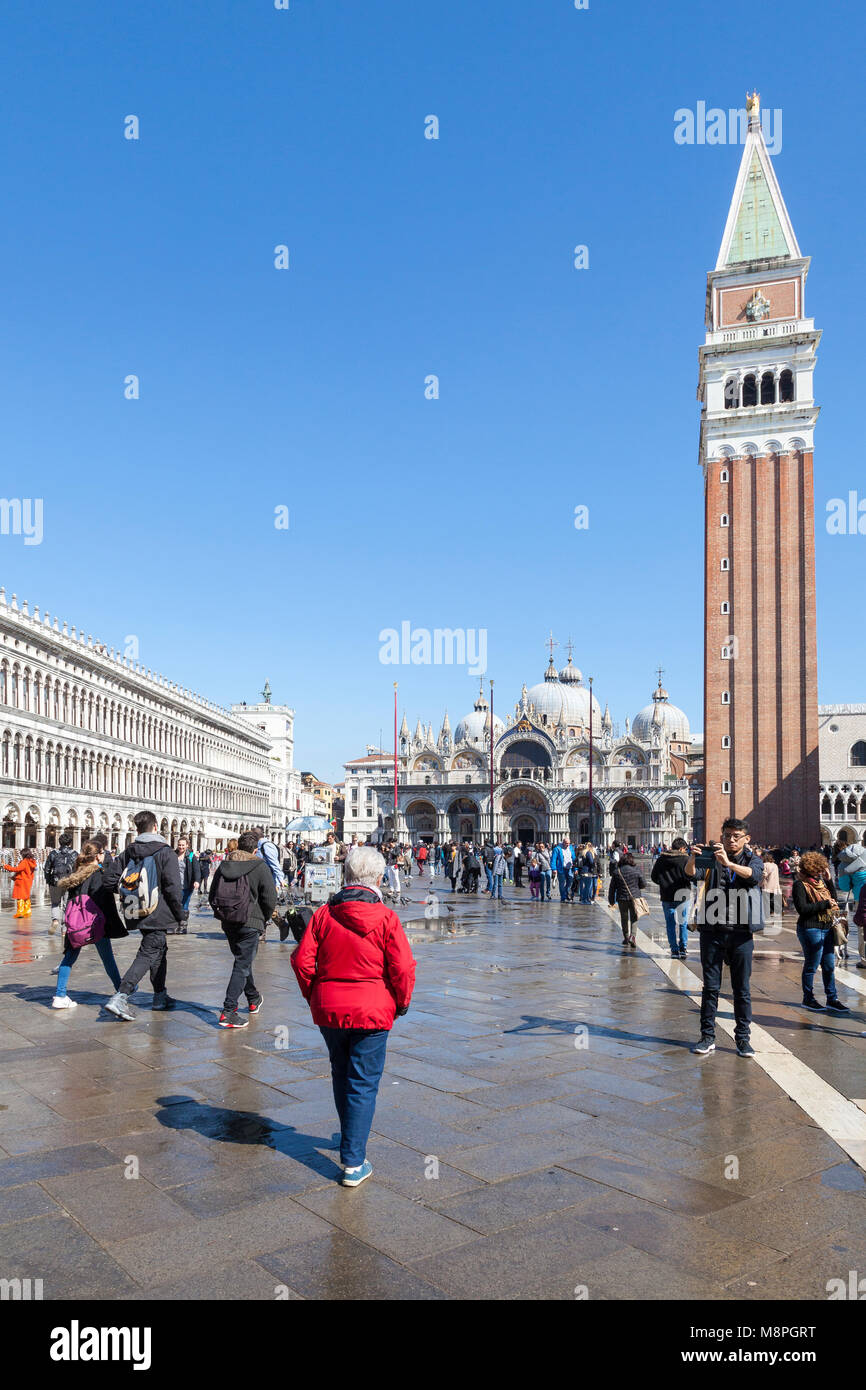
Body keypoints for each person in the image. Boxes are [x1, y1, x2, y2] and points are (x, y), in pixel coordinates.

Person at [290, 846, 416, 1188]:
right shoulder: (387, 918)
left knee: (341, 1073)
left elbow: (301, 961)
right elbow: (403, 967)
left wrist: (316, 995)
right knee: (362, 1083)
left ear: (346, 876)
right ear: (378, 879)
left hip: (330, 1010)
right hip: (373, 1011)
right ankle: (353, 1161)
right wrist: (401, 1002)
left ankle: (350, 1138)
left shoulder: (323, 915)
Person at [685, 819, 764, 1059]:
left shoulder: (752, 859)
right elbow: (691, 874)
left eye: (736, 836)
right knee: (710, 987)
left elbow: (754, 876)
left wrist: (728, 863)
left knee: (742, 989)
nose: (731, 839)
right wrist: (692, 857)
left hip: (741, 933)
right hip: (712, 930)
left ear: (746, 839)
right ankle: (707, 1036)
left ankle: (743, 1039)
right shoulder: (711, 858)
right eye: (727, 835)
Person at [102, 810, 188, 1020]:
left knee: (159, 950)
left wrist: (130, 893)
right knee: (149, 952)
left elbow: (109, 880)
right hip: (159, 911)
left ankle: (160, 996)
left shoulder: (128, 852)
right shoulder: (166, 852)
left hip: (137, 910)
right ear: (156, 827)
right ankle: (121, 996)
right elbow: (173, 887)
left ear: (137, 828)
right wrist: (180, 914)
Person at [208, 830, 278, 1028]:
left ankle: (253, 998)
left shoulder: (224, 865)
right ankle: (228, 1011)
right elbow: (270, 898)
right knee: (242, 964)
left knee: (242, 961)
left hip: (229, 922)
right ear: (255, 850)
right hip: (250, 922)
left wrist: (223, 913)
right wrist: (262, 920)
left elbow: (212, 894)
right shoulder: (259, 866)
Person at [52, 840, 127, 1010]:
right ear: (99, 855)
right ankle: (121, 990)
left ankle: (60, 995)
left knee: (69, 958)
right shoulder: (99, 875)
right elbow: (104, 902)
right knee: (108, 959)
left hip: (77, 925)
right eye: (103, 853)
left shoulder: (77, 874)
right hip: (94, 924)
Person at [793, 851, 850, 1014]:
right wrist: (824, 904)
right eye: (817, 870)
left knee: (829, 965)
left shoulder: (820, 882)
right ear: (809, 869)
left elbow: (833, 899)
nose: (819, 872)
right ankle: (808, 998)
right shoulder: (800, 884)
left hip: (827, 927)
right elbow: (802, 909)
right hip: (810, 928)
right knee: (812, 965)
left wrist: (829, 880)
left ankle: (832, 999)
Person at [651, 837, 691, 958]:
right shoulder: (686, 859)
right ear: (682, 848)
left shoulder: (661, 859)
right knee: (683, 923)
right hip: (683, 895)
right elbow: (691, 876)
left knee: (670, 924)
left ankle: (674, 950)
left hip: (667, 896)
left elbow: (654, 877)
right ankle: (683, 948)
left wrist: (663, 883)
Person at [836, 837, 866, 968]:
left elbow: (845, 887)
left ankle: (865, 960)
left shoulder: (844, 865)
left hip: (861, 899)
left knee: (863, 929)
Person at [608, 851, 646, 949]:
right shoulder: (636, 870)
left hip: (622, 898)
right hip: (635, 898)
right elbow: (643, 884)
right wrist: (637, 887)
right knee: (634, 918)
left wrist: (611, 900)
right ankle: (632, 936)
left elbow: (612, 888)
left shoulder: (617, 871)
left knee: (624, 918)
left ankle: (625, 937)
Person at [44, 832, 78, 933]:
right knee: (66, 905)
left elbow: (46, 869)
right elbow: (79, 869)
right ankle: (64, 928)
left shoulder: (53, 853)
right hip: (69, 882)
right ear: (70, 843)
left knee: (55, 903)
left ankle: (55, 920)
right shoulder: (75, 854)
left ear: (59, 842)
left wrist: (48, 881)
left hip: (55, 882)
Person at [2, 848, 37, 918]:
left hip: (21, 882)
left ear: (24, 854)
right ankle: (27, 911)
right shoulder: (32, 862)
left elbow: (17, 869)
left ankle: (20, 912)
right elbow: (23, 871)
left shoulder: (24, 862)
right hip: (28, 881)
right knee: (26, 897)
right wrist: (14, 877)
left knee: (20, 897)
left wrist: (5, 866)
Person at [175, 836, 200, 914]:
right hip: (175, 885)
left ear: (187, 845)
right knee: (176, 905)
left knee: (185, 905)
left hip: (187, 885)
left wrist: (197, 881)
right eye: (179, 845)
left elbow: (196, 869)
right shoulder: (173, 854)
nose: (181, 847)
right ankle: (177, 921)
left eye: (183, 845)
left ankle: (183, 923)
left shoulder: (191, 856)